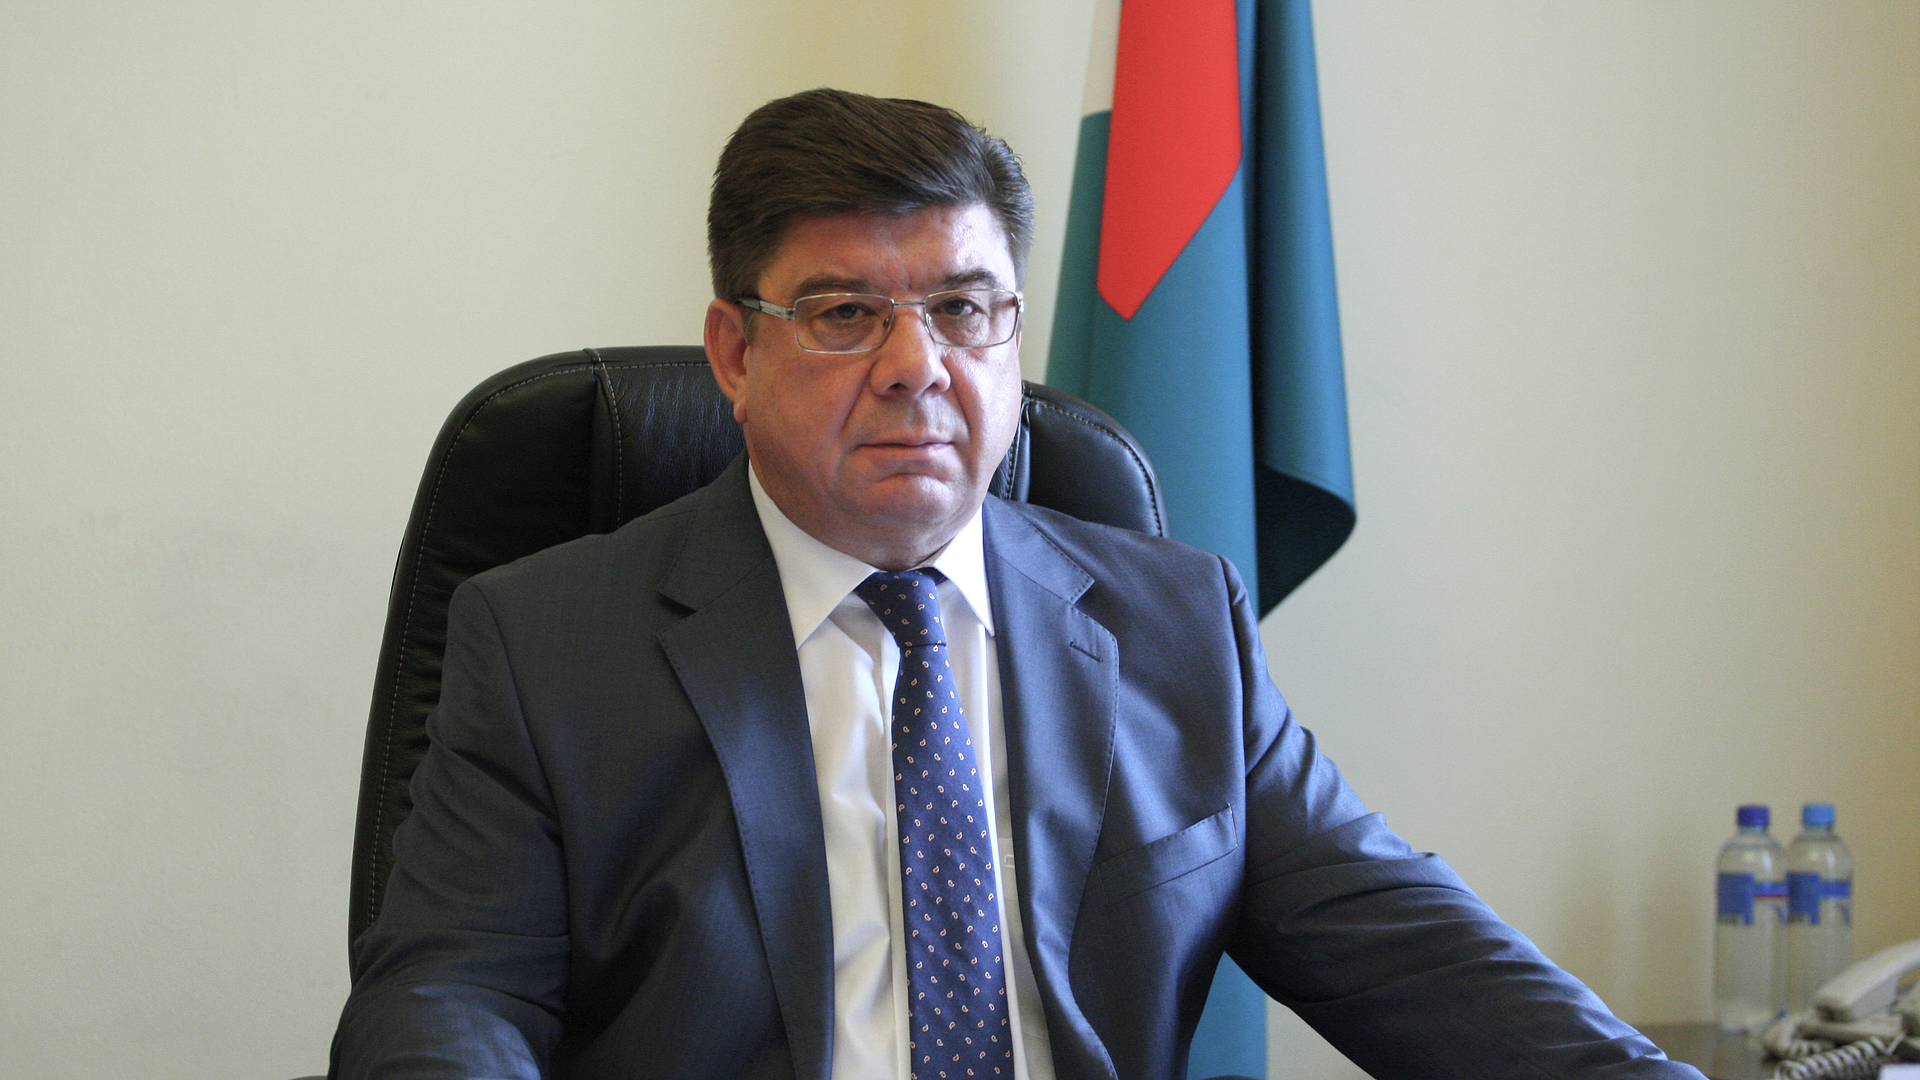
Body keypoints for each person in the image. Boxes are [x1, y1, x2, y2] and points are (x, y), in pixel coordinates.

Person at [331, 88, 1704, 1080]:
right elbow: (452, 996)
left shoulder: (1176, 626)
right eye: (845, 314)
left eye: (963, 308)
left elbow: (1406, 944)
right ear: (736, 356)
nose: (916, 366)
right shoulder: (547, 641)